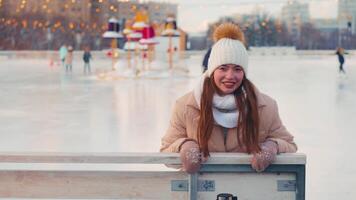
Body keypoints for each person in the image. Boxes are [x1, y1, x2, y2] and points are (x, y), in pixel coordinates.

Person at [160, 23, 297, 173]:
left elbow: (289, 145)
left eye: (237, 69)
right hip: (200, 191)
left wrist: (272, 146)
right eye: (223, 68)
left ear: (244, 72)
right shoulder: (186, 105)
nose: (230, 76)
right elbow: (166, 151)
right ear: (212, 70)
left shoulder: (265, 106)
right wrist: (184, 146)